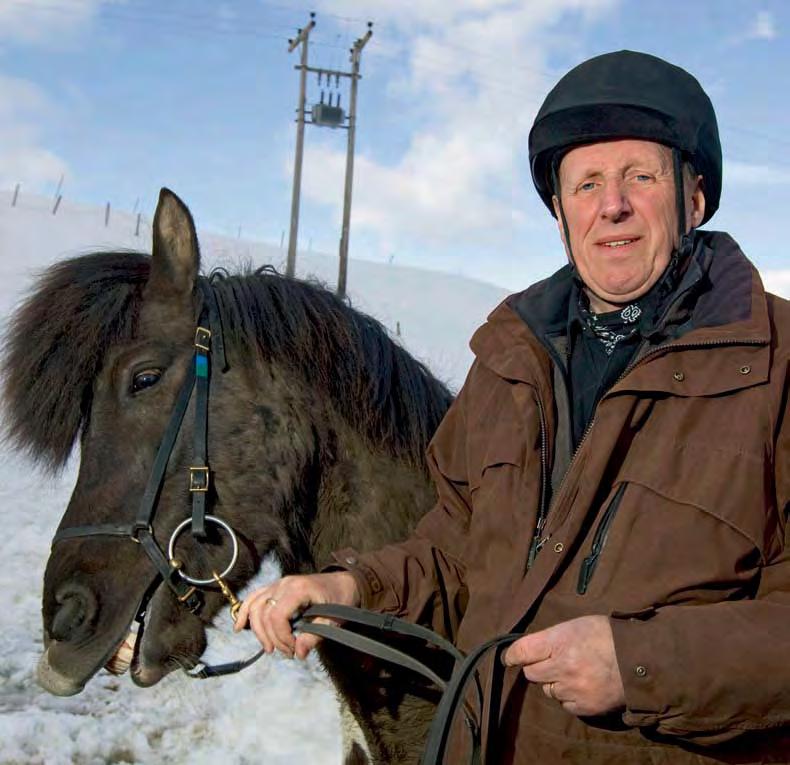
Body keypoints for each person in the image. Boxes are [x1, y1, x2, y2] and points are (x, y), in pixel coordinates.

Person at [235, 50, 790, 763]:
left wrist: (643, 663)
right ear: (560, 212)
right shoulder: (512, 360)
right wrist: (352, 583)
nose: (611, 204)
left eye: (640, 177)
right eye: (585, 183)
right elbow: (459, 544)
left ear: (694, 198)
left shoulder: (777, 369)